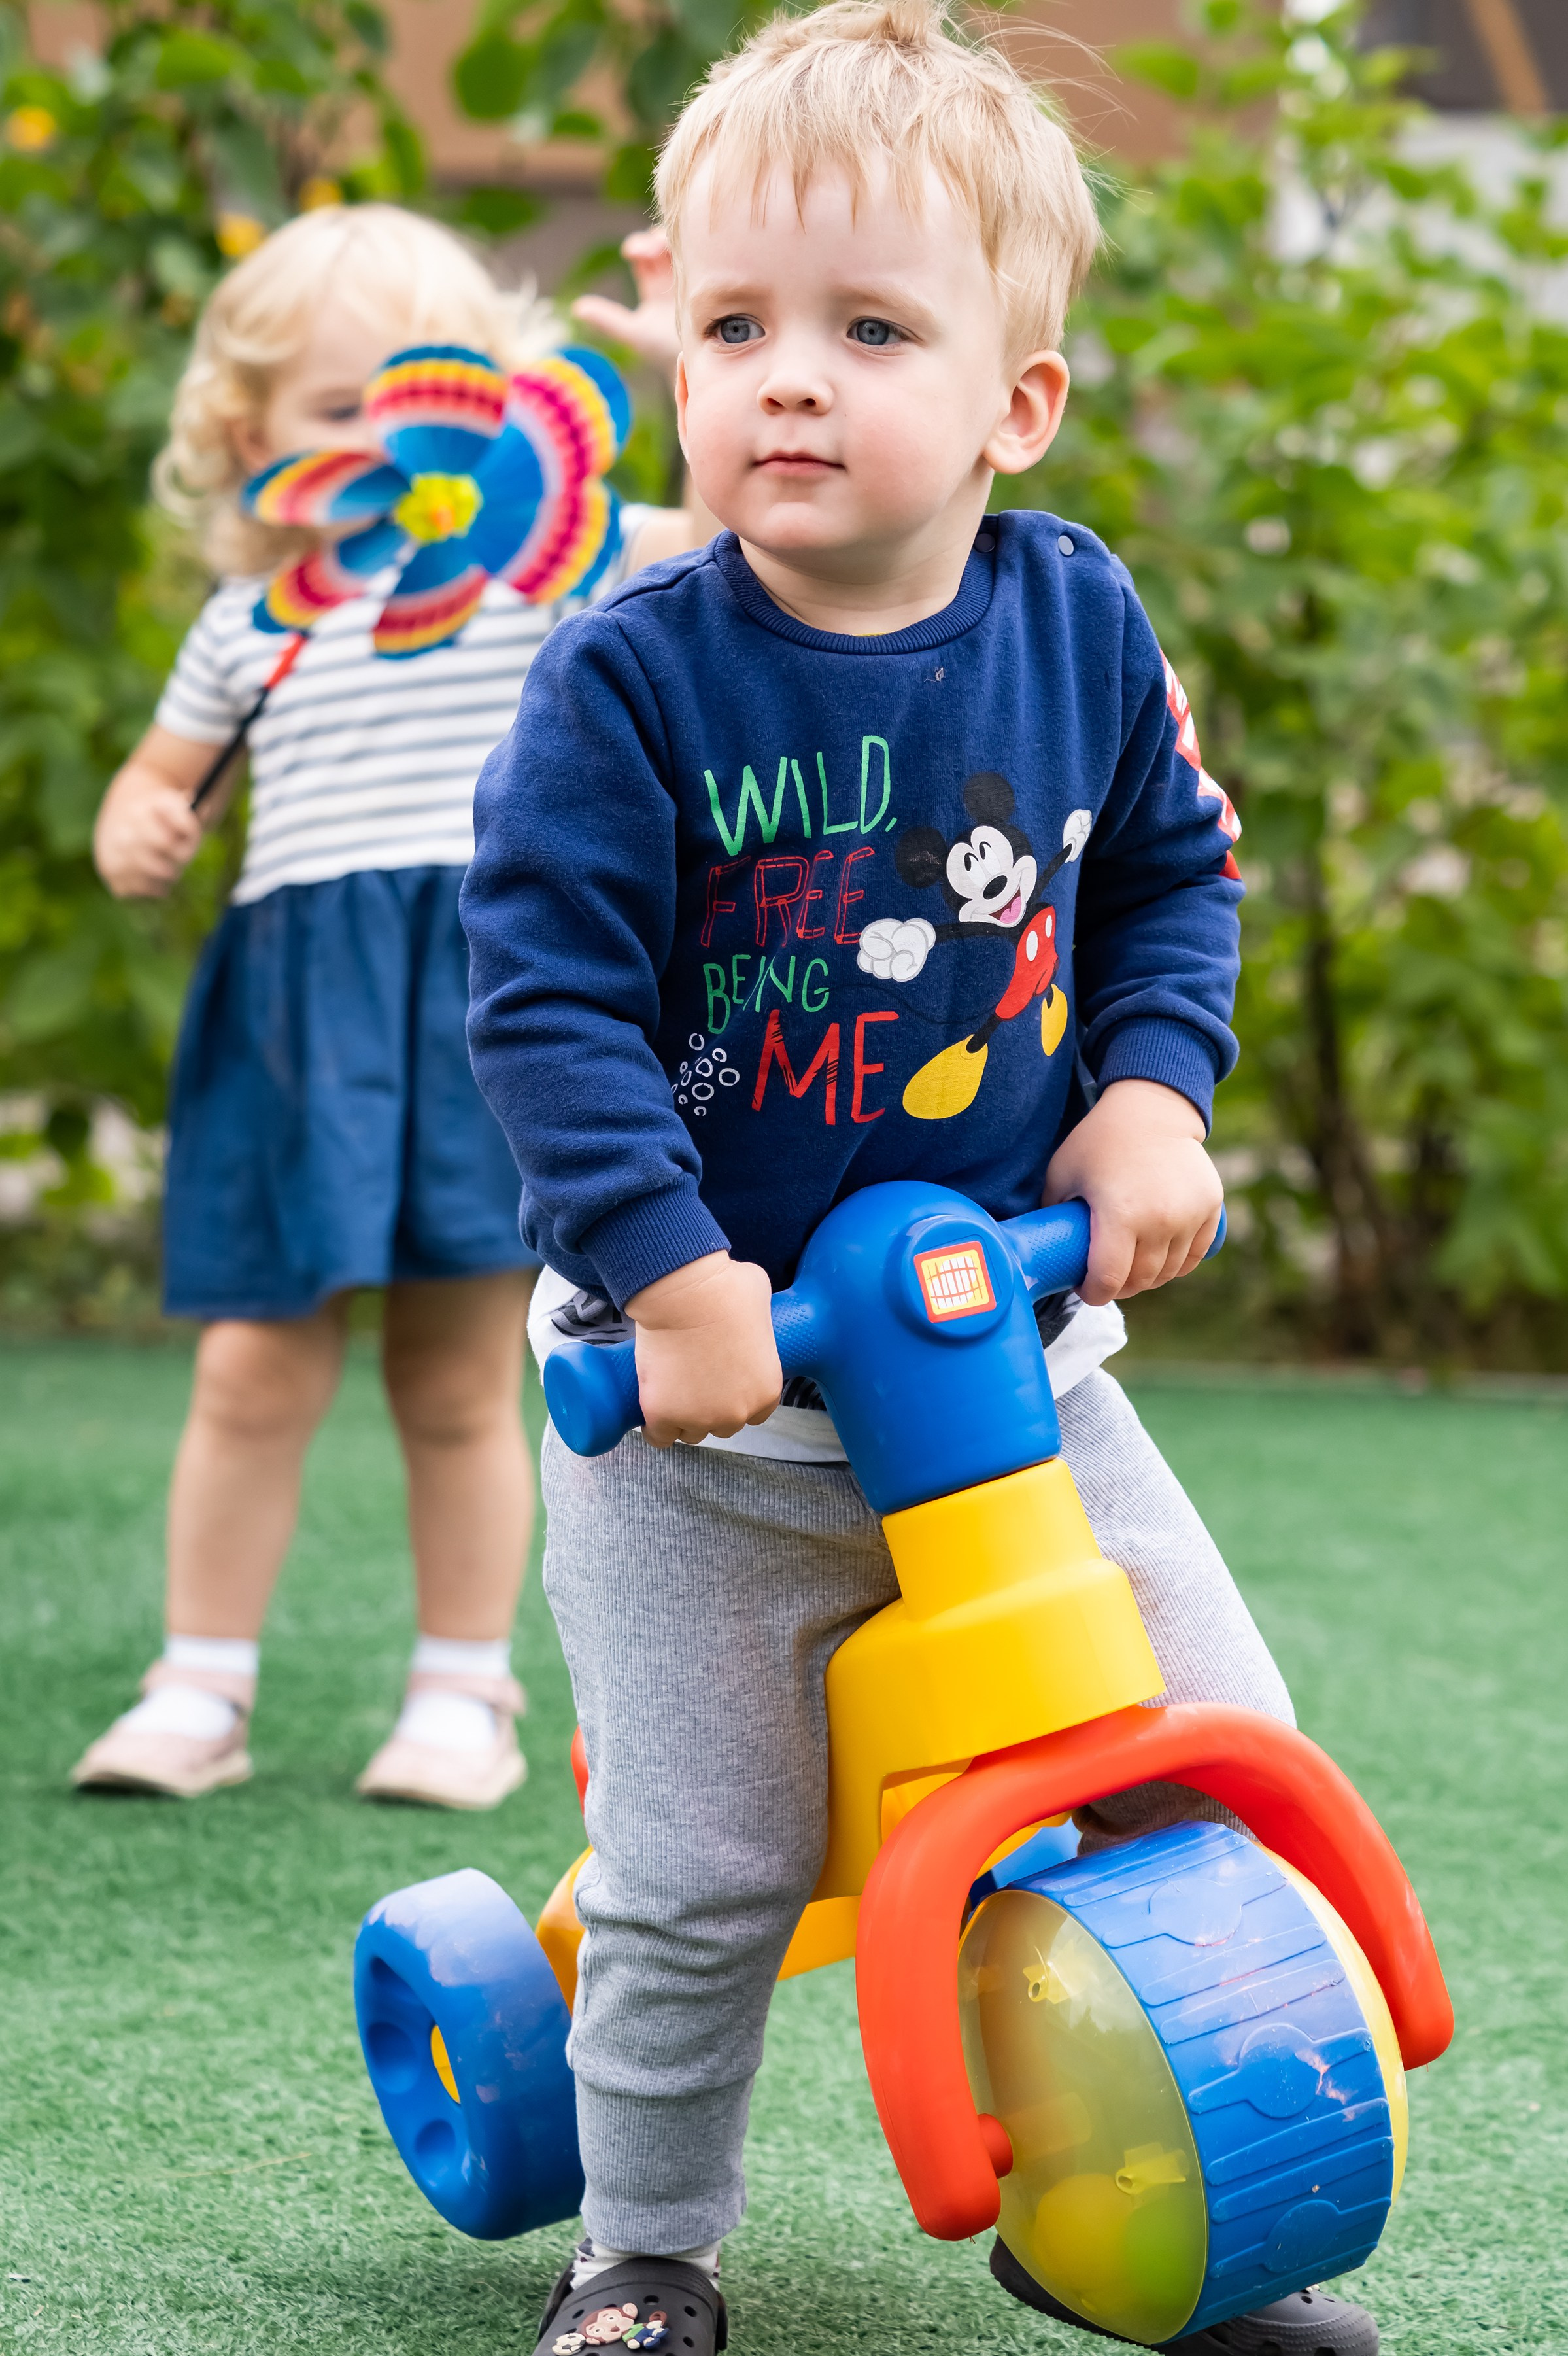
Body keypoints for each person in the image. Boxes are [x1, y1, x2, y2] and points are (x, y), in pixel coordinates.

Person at [462, 7, 1378, 2350]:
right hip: (708, 1419)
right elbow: (544, 1000)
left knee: (1211, 1763)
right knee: (708, 1862)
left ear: (1009, 402)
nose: (787, 377)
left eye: (866, 329)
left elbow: (1173, 880)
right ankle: (639, 2248)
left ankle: (1179, 2209)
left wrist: (1151, 1097)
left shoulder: (1071, 620)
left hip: (1017, 1365)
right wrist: (659, 1270)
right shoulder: (627, 684)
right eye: (735, 324)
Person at [74, 203, 708, 1810]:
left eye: (429, 399)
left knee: (450, 1375)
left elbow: (711, 545)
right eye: (339, 408)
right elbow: (162, 780)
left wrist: (667, 346)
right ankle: (199, 1681)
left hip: (486, 1005)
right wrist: (136, 823)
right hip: (303, 1017)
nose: (390, 444)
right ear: (249, 436)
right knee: (247, 1367)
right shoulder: (254, 622)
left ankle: (460, 1691)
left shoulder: (536, 571)